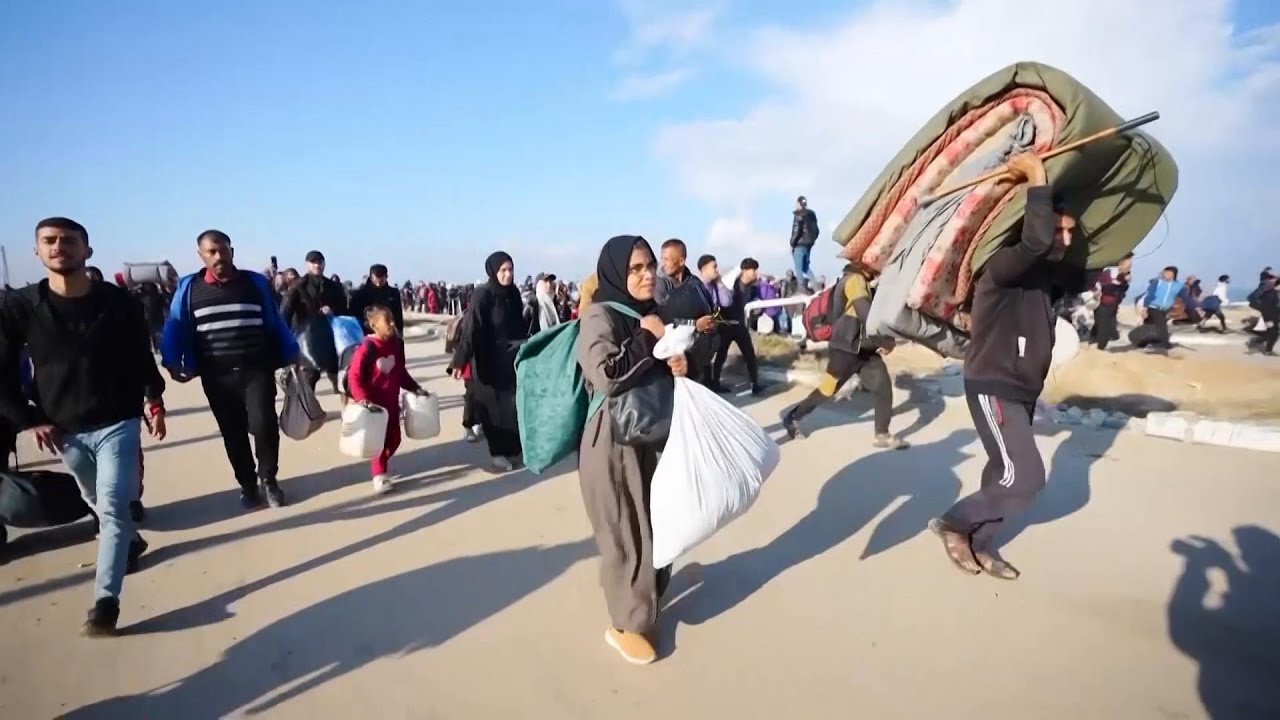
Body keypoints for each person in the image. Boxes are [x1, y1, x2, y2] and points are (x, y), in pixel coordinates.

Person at [0, 217, 165, 635]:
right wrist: (29, 417)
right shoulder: (20, 307)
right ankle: (129, 540)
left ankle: (105, 603)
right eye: (49, 242)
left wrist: (153, 396)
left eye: (69, 241)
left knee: (110, 505)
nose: (59, 248)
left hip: (117, 421)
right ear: (37, 251)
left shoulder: (116, 302)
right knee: (93, 496)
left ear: (86, 250)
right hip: (62, 427)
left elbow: (138, 355)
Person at [929, 153, 1074, 581]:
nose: (1062, 239)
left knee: (1001, 472)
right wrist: (1036, 177)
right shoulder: (1005, 267)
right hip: (994, 383)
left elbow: (1074, 263)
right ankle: (954, 522)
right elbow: (1035, 242)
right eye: (1057, 228)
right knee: (1026, 478)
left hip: (1021, 391)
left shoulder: (1047, 281)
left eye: (1070, 232)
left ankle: (982, 544)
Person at [576, 234, 689, 665]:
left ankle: (646, 602)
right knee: (625, 528)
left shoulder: (651, 314)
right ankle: (625, 624)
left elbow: (657, 367)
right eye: (636, 269)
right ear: (616, 274)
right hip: (613, 440)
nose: (647, 275)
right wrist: (647, 338)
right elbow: (606, 374)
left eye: (649, 267)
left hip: (653, 433)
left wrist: (678, 363)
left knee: (657, 519)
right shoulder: (600, 316)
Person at [162, 230, 299, 510]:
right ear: (201, 255)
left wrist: (290, 351)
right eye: (211, 252)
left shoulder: (255, 283)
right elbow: (175, 325)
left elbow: (274, 321)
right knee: (233, 432)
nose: (218, 256)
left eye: (223, 250)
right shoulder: (190, 288)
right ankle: (248, 485)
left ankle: (269, 480)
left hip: (256, 369)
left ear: (232, 252)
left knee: (264, 425)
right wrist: (172, 359)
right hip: (217, 375)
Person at [783, 262, 908, 449]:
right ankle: (792, 417)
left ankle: (882, 434)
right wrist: (885, 341)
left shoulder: (859, 280)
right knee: (828, 390)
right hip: (845, 348)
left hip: (863, 349)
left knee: (882, 386)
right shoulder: (854, 281)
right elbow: (865, 314)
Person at [448, 252, 527, 470]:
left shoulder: (514, 293)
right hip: (486, 362)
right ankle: (497, 453)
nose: (508, 274)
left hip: (510, 360)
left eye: (510, 269)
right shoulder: (483, 295)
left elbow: (520, 325)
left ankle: (513, 449)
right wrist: (459, 361)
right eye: (503, 270)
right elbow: (472, 329)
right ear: (493, 271)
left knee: (511, 409)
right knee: (493, 411)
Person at [346, 305, 427, 494]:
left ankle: (379, 461)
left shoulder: (395, 344)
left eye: (392, 320)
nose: (392, 324)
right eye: (387, 321)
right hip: (373, 405)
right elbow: (354, 376)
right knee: (378, 441)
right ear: (374, 325)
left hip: (391, 402)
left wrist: (415, 387)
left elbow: (400, 372)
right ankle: (379, 474)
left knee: (395, 438)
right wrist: (362, 398)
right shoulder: (367, 347)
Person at [281, 251, 348, 394]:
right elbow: (285, 313)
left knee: (340, 380)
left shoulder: (334, 287)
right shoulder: (298, 287)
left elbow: (345, 311)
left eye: (319, 262)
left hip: (330, 339)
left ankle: (347, 411)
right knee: (309, 379)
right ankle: (310, 414)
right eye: (313, 262)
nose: (317, 265)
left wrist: (333, 310)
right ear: (307, 265)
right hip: (307, 340)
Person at [709, 257, 764, 395]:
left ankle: (755, 384)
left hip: (739, 325)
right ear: (744, 270)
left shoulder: (751, 287)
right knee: (721, 355)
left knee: (750, 354)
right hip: (726, 325)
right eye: (753, 270)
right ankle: (715, 383)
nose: (755, 273)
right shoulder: (732, 284)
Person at [1134, 266, 1191, 351]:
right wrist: (1145, 309)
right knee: (1162, 327)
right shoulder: (1157, 282)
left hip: (1165, 310)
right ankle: (1166, 347)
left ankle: (1142, 344)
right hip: (1153, 308)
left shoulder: (1178, 286)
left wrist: (1196, 307)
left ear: (1173, 274)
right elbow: (1150, 295)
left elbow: (1186, 298)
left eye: (1167, 272)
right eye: (1164, 272)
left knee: (1149, 327)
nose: (1165, 274)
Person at [1092, 252, 1132, 350]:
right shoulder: (1108, 272)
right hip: (1102, 301)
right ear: (1120, 264)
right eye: (1127, 265)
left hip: (1114, 304)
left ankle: (1098, 340)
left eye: (1130, 266)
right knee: (1102, 324)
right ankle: (1101, 345)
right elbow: (1102, 285)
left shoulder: (1127, 277)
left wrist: (1123, 283)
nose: (1128, 268)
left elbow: (1122, 289)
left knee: (1105, 323)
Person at [349, 264, 404, 334]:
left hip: (388, 331)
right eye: (376, 281)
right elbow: (354, 315)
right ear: (371, 278)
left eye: (381, 281)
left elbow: (398, 315)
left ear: (386, 277)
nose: (378, 284)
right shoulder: (360, 294)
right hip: (367, 332)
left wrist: (399, 332)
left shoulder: (393, 293)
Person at [789, 196, 819, 292]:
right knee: (805, 267)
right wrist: (812, 241)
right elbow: (817, 231)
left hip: (799, 245)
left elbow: (796, 231)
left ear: (798, 204)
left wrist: (792, 244)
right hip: (808, 245)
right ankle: (815, 285)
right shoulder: (811, 215)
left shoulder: (799, 215)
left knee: (798, 267)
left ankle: (800, 288)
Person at [1246, 271, 1278, 355]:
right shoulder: (1265, 286)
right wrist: (1263, 308)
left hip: (1274, 313)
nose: (1275, 279)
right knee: (1273, 333)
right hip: (1269, 314)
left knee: (1272, 332)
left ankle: (1259, 343)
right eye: (1273, 278)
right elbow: (1251, 298)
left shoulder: (1271, 288)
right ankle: (1267, 350)